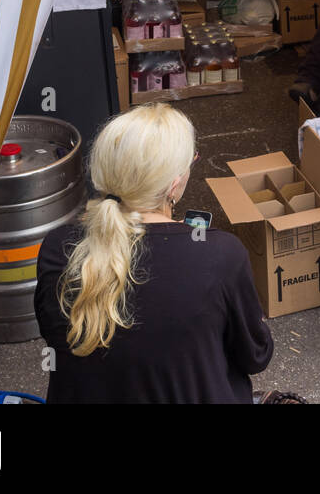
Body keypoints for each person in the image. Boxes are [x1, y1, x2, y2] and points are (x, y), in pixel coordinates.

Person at [35, 104, 273, 403]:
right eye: (191, 161)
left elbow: (56, 336)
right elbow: (256, 356)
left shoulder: (57, 247)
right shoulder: (221, 255)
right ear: (174, 184)